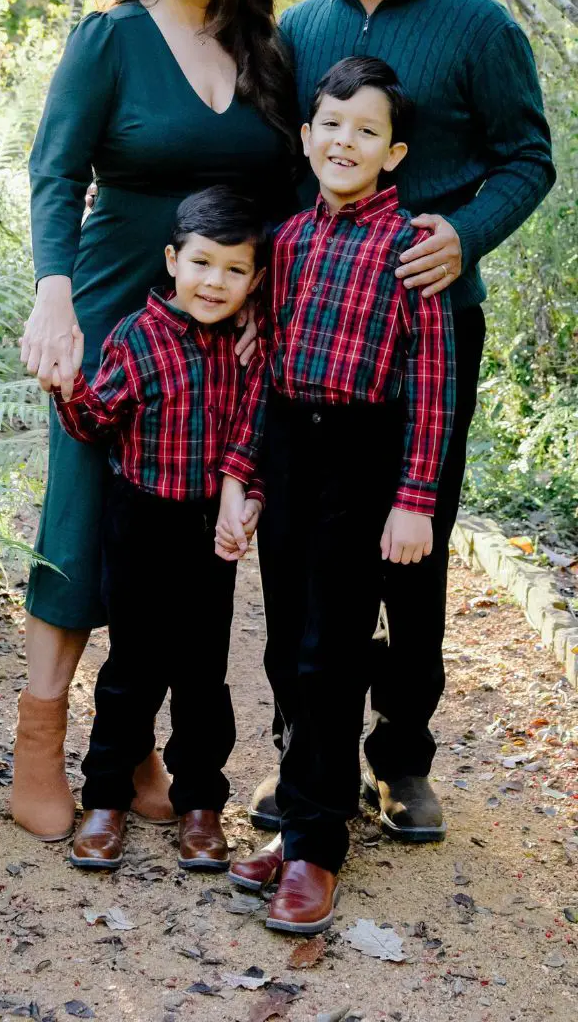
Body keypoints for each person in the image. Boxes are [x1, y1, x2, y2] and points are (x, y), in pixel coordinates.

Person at [247, 0, 555, 842]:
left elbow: (528, 160)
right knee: (296, 573)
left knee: (406, 563)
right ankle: (303, 746)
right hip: (312, 350)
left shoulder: (477, 26)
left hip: (427, 341)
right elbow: (285, 174)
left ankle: (402, 755)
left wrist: (462, 237)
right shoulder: (300, 29)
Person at [12, 0, 297, 842]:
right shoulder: (111, 39)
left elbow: (287, 197)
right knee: (86, 517)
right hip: (109, 308)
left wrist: (273, 309)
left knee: (174, 538)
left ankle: (134, 752)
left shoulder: (265, 50)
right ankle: (38, 749)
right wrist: (56, 302)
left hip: (221, 327)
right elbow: (56, 173)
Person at [227, 57, 455, 933]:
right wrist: (245, 476)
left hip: (364, 458)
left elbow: (431, 384)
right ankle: (299, 817)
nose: (345, 141)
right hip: (290, 444)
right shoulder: (286, 241)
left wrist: (416, 499)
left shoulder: (413, 250)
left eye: (367, 131)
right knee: (288, 648)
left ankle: (315, 849)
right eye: (332, 125)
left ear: (392, 154)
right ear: (307, 136)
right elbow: (263, 374)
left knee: (331, 654)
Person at [49, 188, 267, 871]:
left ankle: (199, 802)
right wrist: (65, 386)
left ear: (255, 279)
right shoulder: (136, 337)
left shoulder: (248, 345)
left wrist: (245, 493)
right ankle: (107, 798)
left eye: (236, 270)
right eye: (203, 263)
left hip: (209, 530)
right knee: (132, 670)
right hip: (139, 520)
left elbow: (254, 430)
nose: (216, 282)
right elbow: (95, 420)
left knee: (203, 673)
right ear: (173, 260)